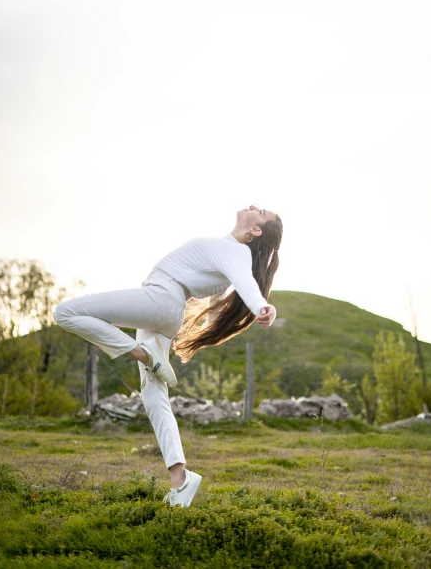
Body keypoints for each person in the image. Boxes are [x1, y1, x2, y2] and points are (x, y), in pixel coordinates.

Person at [52, 205, 283, 507]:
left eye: (261, 212)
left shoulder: (237, 253)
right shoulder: (226, 249)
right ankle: (181, 479)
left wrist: (261, 306)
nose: (253, 206)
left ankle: (143, 355)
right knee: (153, 397)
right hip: (165, 309)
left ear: (256, 230)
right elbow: (232, 285)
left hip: (161, 298)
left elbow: (245, 282)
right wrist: (259, 305)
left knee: (65, 312)